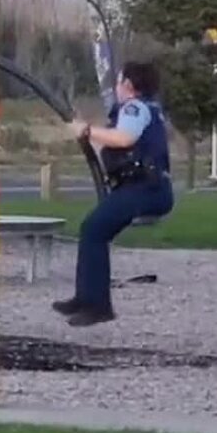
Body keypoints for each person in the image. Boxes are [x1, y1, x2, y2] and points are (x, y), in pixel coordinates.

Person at [53, 61, 174, 326]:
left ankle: (97, 305)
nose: (116, 87)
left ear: (129, 86)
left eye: (119, 82)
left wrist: (86, 130)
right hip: (148, 187)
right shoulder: (149, 109)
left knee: (94, 229)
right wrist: (91, 133)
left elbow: (124, 139)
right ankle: (86, 298)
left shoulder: (134, 107)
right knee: (93, 229)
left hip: (146, 189)